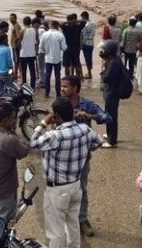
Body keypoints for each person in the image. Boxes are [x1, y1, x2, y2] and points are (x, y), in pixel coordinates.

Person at [30, 97, 103, 248]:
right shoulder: (85, 130)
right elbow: (98, 142)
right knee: (72, 224)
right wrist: (83, 150)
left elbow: (34, 142)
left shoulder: (55, 136)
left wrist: (44, 123)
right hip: (75, 186)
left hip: (57, 189)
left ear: (56, 116)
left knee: (56, 232)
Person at [60, 75, 111, 237]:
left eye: (65, 86)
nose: (62, 89)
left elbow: (107, 117)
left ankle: (82, 219)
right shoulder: (60, 104)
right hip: (63, 156)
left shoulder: (86, 104)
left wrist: (90, 117)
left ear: (75, 88)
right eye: (61, 86)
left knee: (81, 188)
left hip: (81, 157)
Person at [99, 40, 126, 148]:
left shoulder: (113, 62)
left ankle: (112, 140)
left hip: (112, 92)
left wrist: (104, 68)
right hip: (111, 91)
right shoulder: (114, 59)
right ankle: (110, 133)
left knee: (111, 115)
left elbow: (106, 78)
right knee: (110, 113)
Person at [39, 20, 67, 99]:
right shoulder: (60, 35)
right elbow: (64, 48)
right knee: (57, 76)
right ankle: (58, 93)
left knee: (47, 76)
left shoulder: (45, 34)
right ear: (57, 26)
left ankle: (46, 93)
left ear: (50, 26)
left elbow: (41, 47)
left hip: (48, 59)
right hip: (57, 58)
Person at [18, 16, 38, 89]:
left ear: (23, 22)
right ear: (30, 22)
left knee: (23, 72)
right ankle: (33, 87)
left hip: (23, 54)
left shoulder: (22, 30)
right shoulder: (34, 30)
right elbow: (36, 42)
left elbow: (19, 42)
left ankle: (24, 87)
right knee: (33, 72)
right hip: (32, 54)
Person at [80, 11, 95, 79]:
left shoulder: (85, 25)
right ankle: (89, 72)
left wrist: (81, 44)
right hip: (91, 43)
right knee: (90, 58)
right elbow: (93, 34)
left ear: (84, 17)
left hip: (86, 44)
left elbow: (84, 36)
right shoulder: (92, 24)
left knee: (87, 59)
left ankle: (89, 73)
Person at [34, 18, 47, 88]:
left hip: (41, 51)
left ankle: (43, 82)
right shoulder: (43, 30)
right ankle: (43, 80)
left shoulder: (41, 30)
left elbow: (41, 42)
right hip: (43, 51)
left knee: (41, 67)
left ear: (36, 23)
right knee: (41, 67)